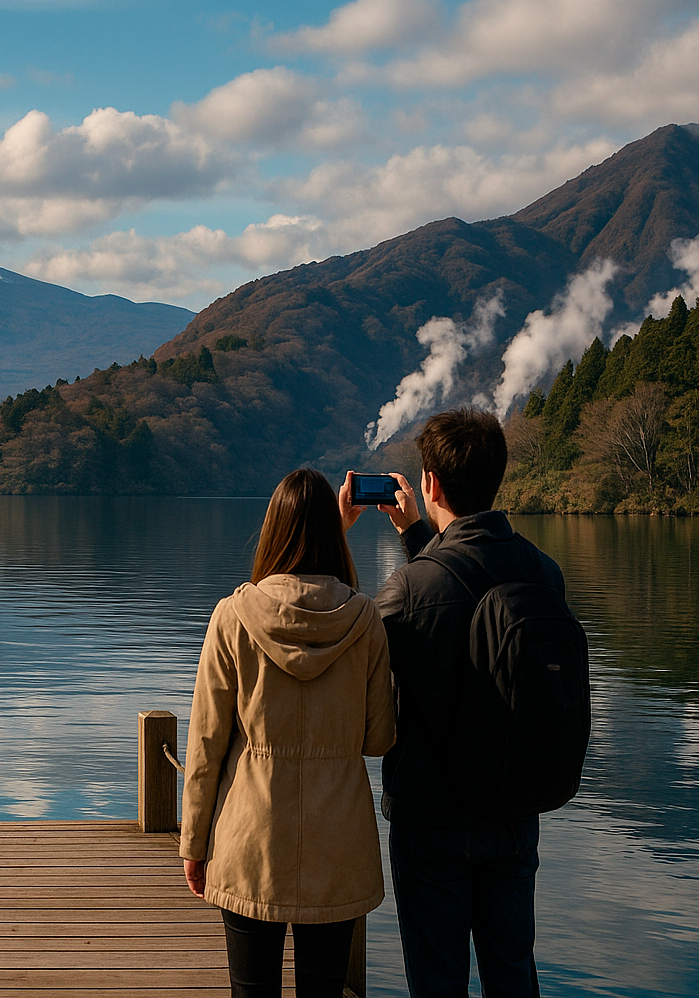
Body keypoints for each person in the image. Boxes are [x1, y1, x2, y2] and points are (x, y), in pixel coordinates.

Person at [339, 406, 568, 998]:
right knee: (513, 972)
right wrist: (418, 536)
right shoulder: (544, 573)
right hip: (517, 810)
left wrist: (337, 537)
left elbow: (353, 643)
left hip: (431, 819)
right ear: (497, 477)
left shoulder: (407, 588)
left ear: (431, 484)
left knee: (437, 981)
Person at [181, 467, 396, 998]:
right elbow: (379, 737)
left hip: (249, 842)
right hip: (338, 846)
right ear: (332, 531)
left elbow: (205, 745)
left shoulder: (233, 617)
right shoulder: (365, 620)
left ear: (271, 531)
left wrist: (193, 843)